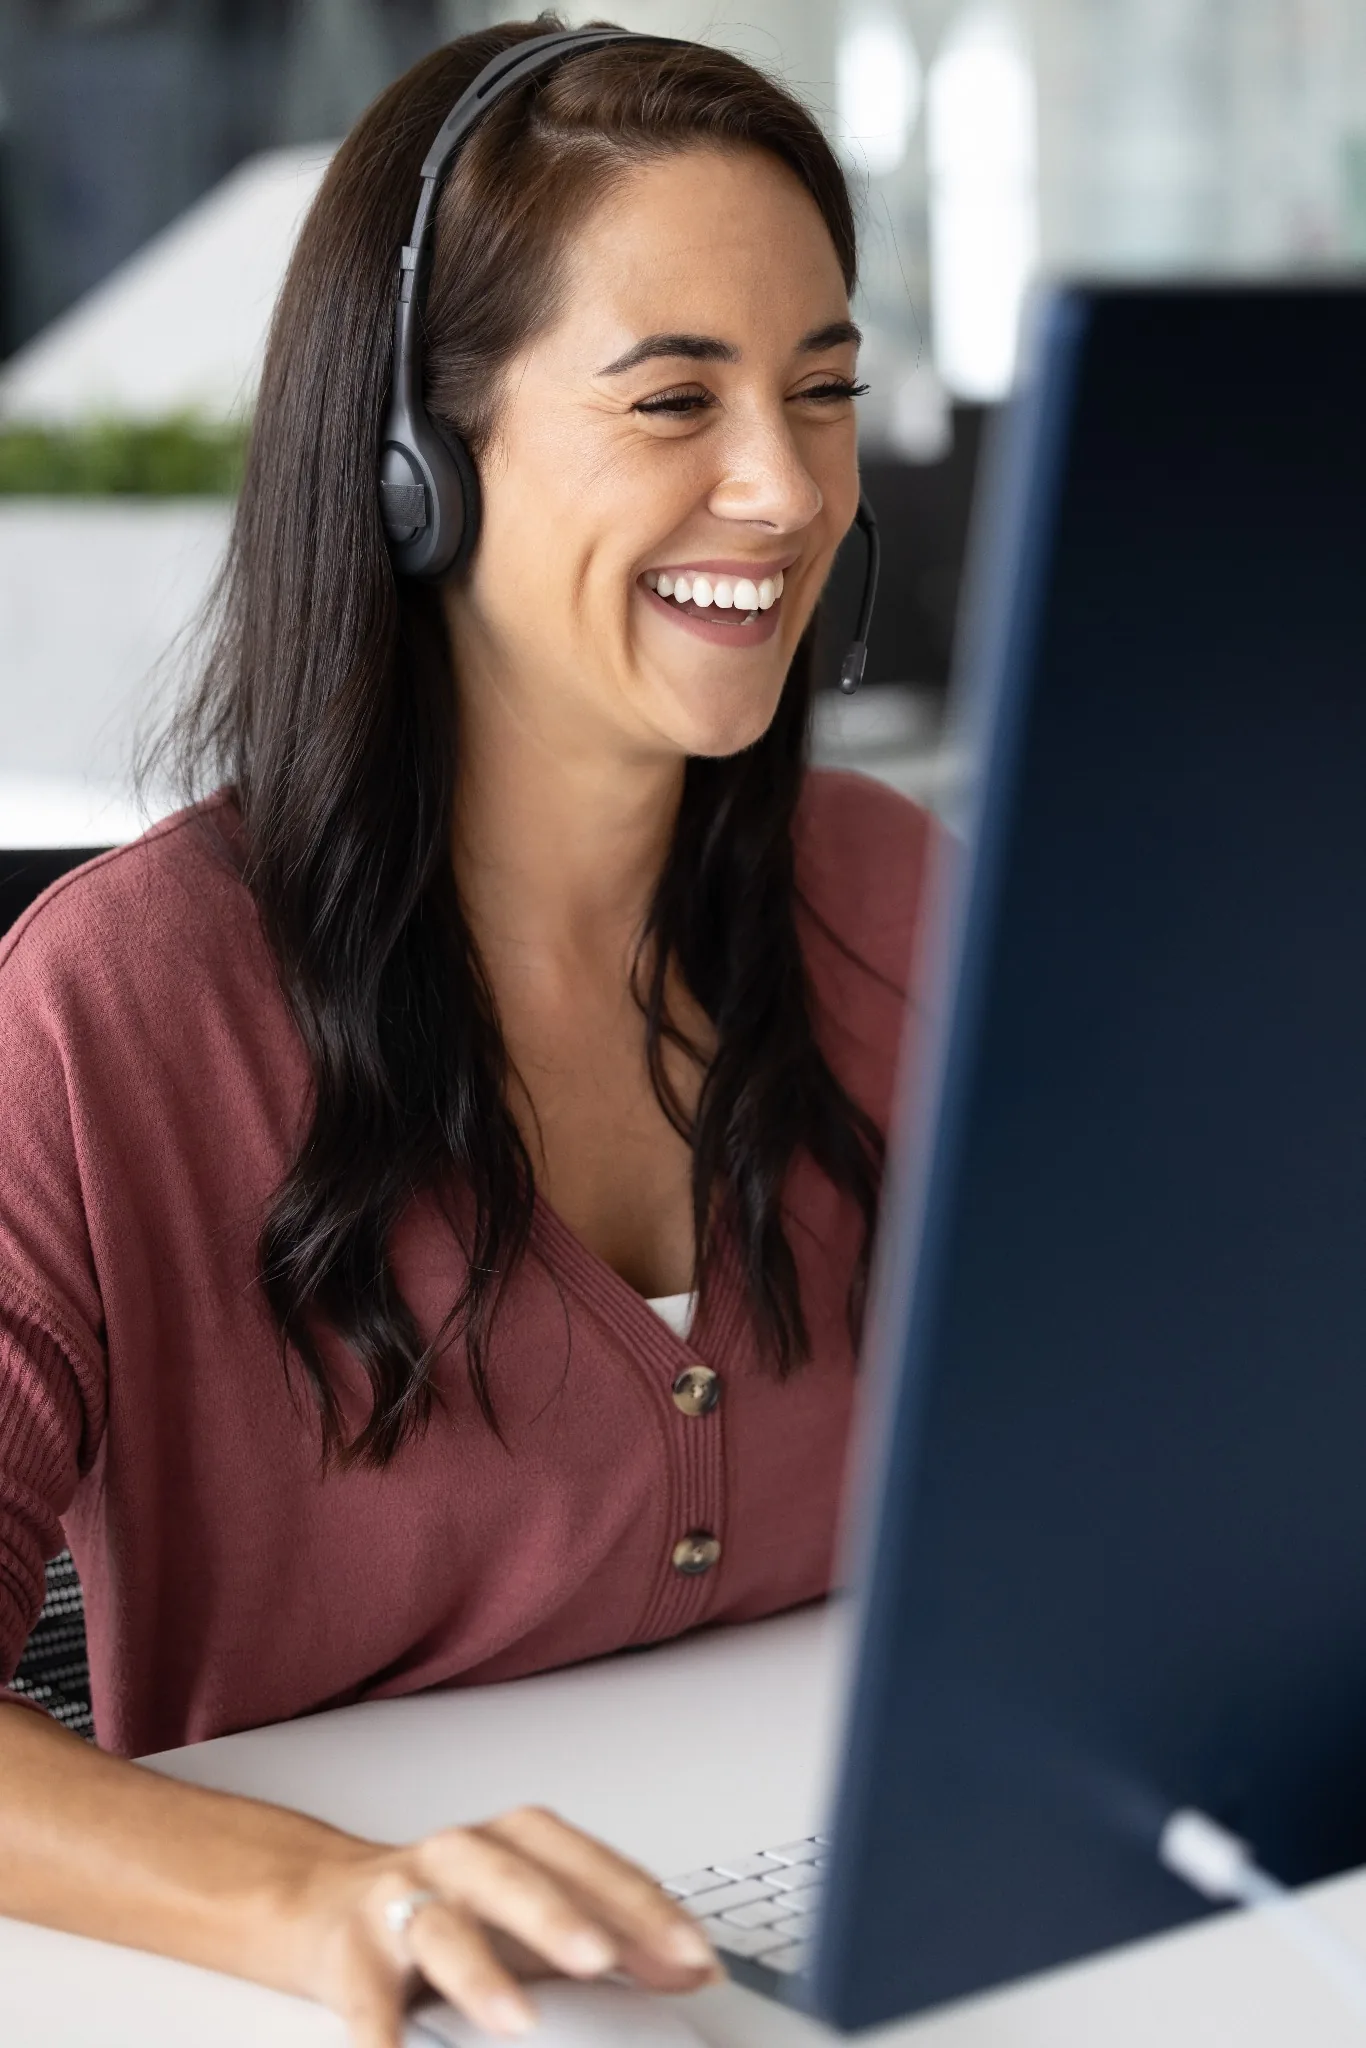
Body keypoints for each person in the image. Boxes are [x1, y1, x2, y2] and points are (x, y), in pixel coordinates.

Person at [0, 19, 932, 2045]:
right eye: (673, 396)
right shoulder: (120, 1008)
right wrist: (326, 1895)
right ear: (418, 463)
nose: (782, 490)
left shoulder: (898, 910)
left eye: (822, 391)